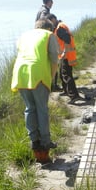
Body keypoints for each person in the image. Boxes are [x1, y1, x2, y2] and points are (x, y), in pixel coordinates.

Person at [11, 18, 59, 155]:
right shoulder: (49, 35)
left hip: (20, 73)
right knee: (42, 109)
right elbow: (55, 60)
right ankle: (45, 141)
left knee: (29, 108)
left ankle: (34, 140)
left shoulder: (24, 36)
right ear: (49, 28)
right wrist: (51, 78)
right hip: (38, 74)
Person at [46, 14, 85, 104]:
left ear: (53, 19)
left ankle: (74, 96)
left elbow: (67, 39)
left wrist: (64, 52)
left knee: (66, 75)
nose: (49, 24)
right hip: (65, 55)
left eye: (50, 22)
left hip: (66, 56)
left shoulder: (60, 28)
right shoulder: (59, 27)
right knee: (62, 74)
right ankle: (66, 91)